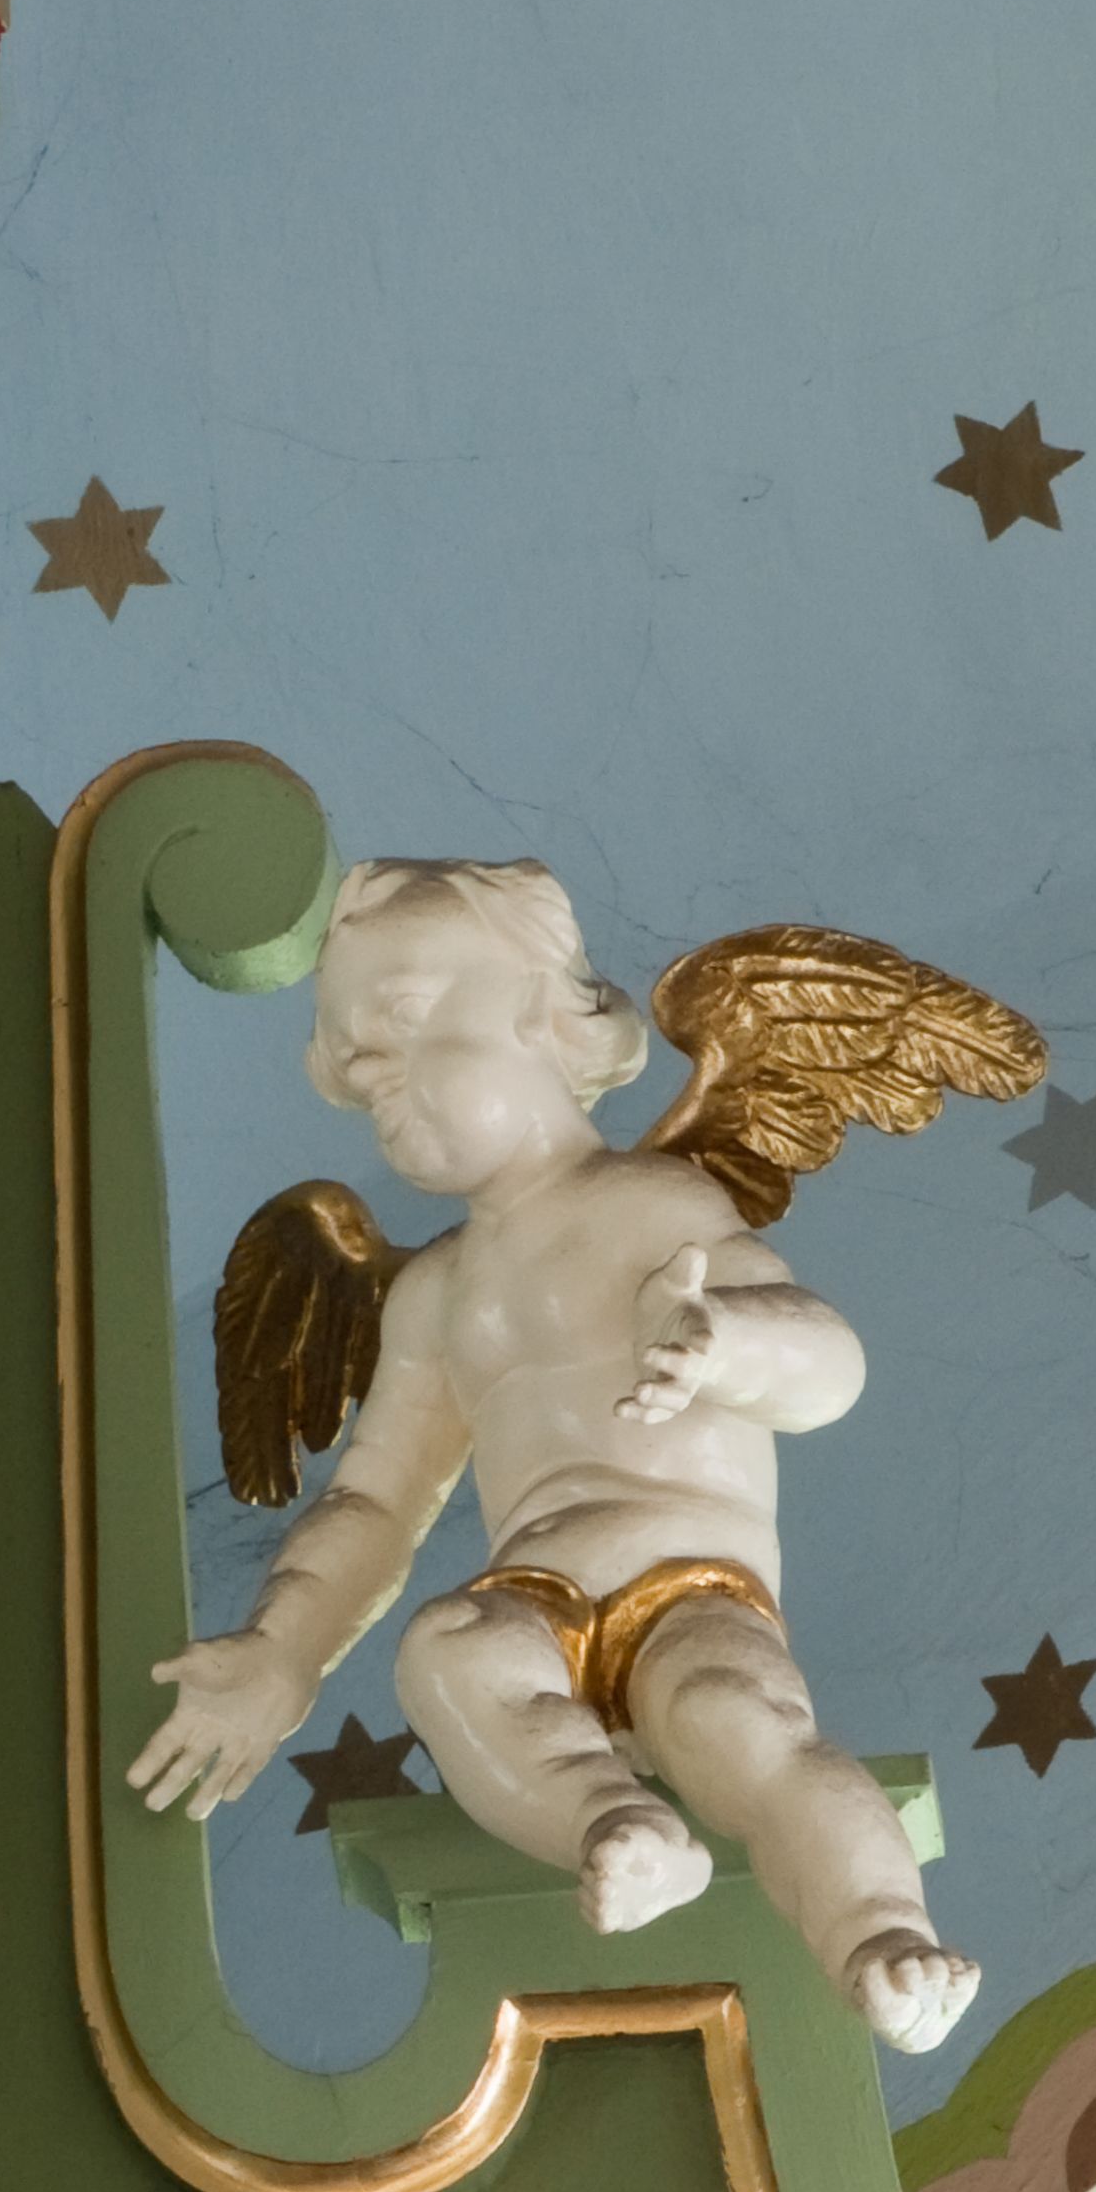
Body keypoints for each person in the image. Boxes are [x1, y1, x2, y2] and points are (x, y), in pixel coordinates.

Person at [131, 861, 975, 2052]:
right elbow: (375, 1502)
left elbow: (830, 1368)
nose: (386, 1090)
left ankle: (881, 1935)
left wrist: (724, 1339)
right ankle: (614, 1824)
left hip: (692, 1581)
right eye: (364, 1077)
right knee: (448, 1650)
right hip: (534, 1596)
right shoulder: (431, 1293)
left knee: (738, 1718)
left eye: (410, 1033)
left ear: (544, 1012)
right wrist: (281, 1653)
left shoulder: (657, 1206)